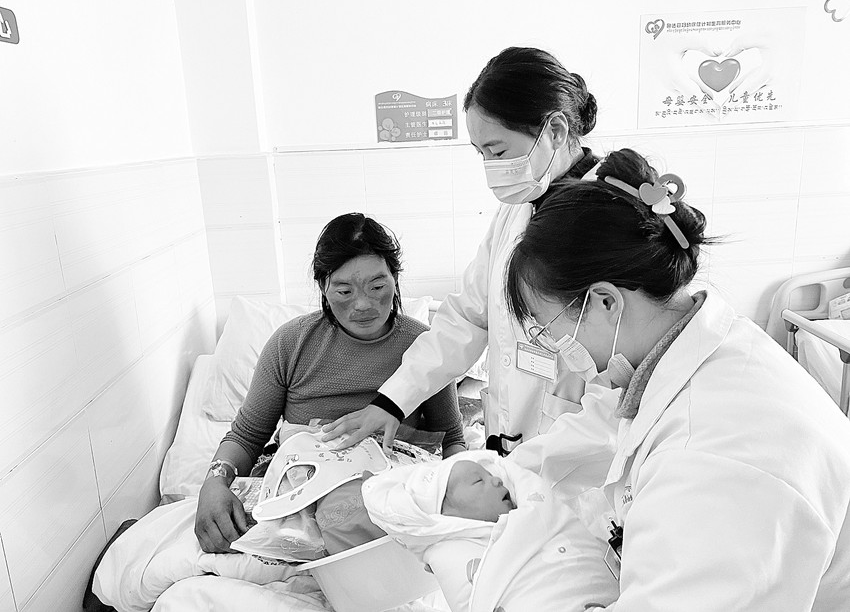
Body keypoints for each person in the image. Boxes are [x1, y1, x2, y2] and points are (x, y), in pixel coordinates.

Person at [503, 148, 850, 610]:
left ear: (605, 302)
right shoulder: (692, 350)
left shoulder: (714, 460)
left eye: (550, 328)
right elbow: (601, 425)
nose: (555, 347)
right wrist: (491, 475)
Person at [323, 46, 617, 459]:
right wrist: (392, 402)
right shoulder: (517, 210)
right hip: (511, 440)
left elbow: (618, 359)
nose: (490, 167)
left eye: (498, 151)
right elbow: (468, 317)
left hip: (576, 446)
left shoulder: (609, 218)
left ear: (555, 130)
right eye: (481, 154)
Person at [195, 213, 466, 554]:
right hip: (305, 484)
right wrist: (214, 483)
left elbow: (451, 439)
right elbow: (247, 436)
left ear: (395, 280)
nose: (363, 304)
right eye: (344, 290)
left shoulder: (424, 347)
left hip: (393, 483)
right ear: (323, 286)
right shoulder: (290, 344)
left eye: (377, 287)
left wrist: (460, 488)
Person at [362, 450, 618, 612]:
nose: (497, 480)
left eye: (490, 475)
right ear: (447, 516)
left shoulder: (529, 512)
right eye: (478, 480)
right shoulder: (448, 555)